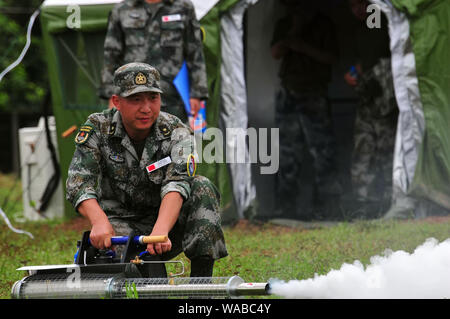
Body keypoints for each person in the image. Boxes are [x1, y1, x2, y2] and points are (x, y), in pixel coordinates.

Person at [67, 62, 227, 278]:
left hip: (166, 224)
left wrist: (160, 231)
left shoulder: (176, 130)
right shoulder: (98, 128)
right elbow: (78, 183)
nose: (146, 108)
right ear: (117, 102)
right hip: (119, 225)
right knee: (137, 275)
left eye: (153, 98)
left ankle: (202, 285)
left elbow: (177, 184)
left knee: (202, 186)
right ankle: (146, 268)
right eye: (135, 100)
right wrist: (99, 221)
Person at [271, 0, 342, 220]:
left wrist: (303, 47)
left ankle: (327, 209)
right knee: (286, 154)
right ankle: (286, 208)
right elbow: (275, 52)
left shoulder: (323, 24)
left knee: (322, 154)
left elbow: (332, 57)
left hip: (314, 94)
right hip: (289, 94)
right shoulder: (285, 23)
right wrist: (294, 29)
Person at [98, 0, 208, 123]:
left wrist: (197, 95)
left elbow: (195, 53)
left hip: (173, 99)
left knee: (177, 139)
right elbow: (111, 54)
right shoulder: (122, 9)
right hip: (132, 97)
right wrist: (111, 96)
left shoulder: (183, 7)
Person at [344, 0, 398, 218]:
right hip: (367, 100)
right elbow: (360, 62)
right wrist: (352, 74)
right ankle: (362, 204)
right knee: (363, 150)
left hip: (386, 102)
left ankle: (387, 203)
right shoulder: (359, 30)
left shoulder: (386, 24)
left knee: (387, 152)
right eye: (352, 6)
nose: (357, 10)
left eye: (360, 4)